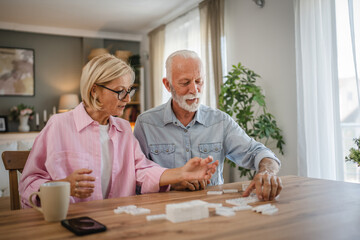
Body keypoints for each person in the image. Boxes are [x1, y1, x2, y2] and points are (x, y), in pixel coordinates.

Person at [19, 54, 218, 208]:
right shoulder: (58, 125)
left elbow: (143, 170)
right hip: (71, 223)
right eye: (120, 91)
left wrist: (182, 173)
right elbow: (28, 183)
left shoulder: (123, 129)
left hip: (119, 220)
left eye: (129, 90)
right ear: (94, 90)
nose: (128, 99)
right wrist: (62, 187)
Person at [134, 50, 282, 201]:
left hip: (212, 209)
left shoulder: (220, 121)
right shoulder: (146, 124)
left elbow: (257, 152)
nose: (194, 90)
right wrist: (172, 183)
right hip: (163, 209)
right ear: (167, 84)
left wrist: (267, 172)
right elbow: (136, 177)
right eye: (185, 83)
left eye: (198, 81)